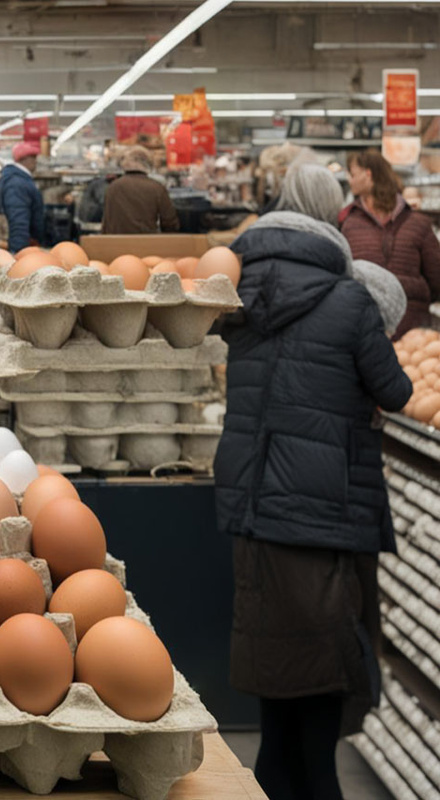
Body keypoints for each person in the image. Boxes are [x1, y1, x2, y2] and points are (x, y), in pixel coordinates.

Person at [214, 163, 412, 800]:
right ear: (334, 217)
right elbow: (398, 391)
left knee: (277, 720)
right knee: (321, 720)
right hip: (322, 517)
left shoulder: (239, 292)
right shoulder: (351, 299)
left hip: (254, 510)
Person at [341, 150, 440, 338]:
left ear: (368, 174)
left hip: (410, 332)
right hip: (368, 327)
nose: (349, 179)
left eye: (353, 174)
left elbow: (437, 279)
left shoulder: (417, 223)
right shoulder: (349, 223)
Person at [102, 146, 179, 234]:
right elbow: (169, 222)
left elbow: (107, 222)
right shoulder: (156, 188)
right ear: (147, 164)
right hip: (147, 243)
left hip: (116, 243)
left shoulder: (113, 187)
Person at [0, 142, 45, 253]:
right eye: (33, 157)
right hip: (21, 246)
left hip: (28, 244)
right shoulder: (16, 183)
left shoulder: (20, 180)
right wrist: (20, 253)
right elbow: (18, 221)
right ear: (24, 159)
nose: (35, 161)